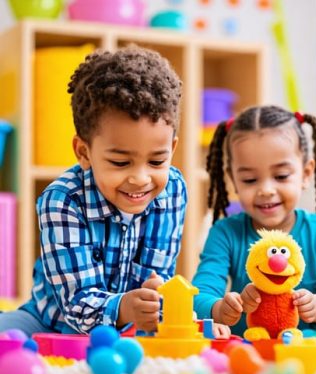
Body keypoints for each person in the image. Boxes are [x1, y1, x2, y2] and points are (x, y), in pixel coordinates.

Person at [0, 45, 217, 337]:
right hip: (50, 323)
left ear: (172, 148)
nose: (141, 178)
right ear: (84, 152)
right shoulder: (62, 200)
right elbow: (75, 304)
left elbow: (158, 276)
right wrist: (123, 307)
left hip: (128, 329)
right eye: (120, 162)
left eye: (156, 160)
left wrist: (157, 297)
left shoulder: (172, 190)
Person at [192, 105, 316, 336]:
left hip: (307, 353)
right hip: (248, 350)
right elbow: (199, 294)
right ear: (233, 180)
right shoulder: (225, 233)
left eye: (281, 176)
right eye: (249, 179)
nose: (266, 190)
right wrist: (220, 309)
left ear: (306, 174)